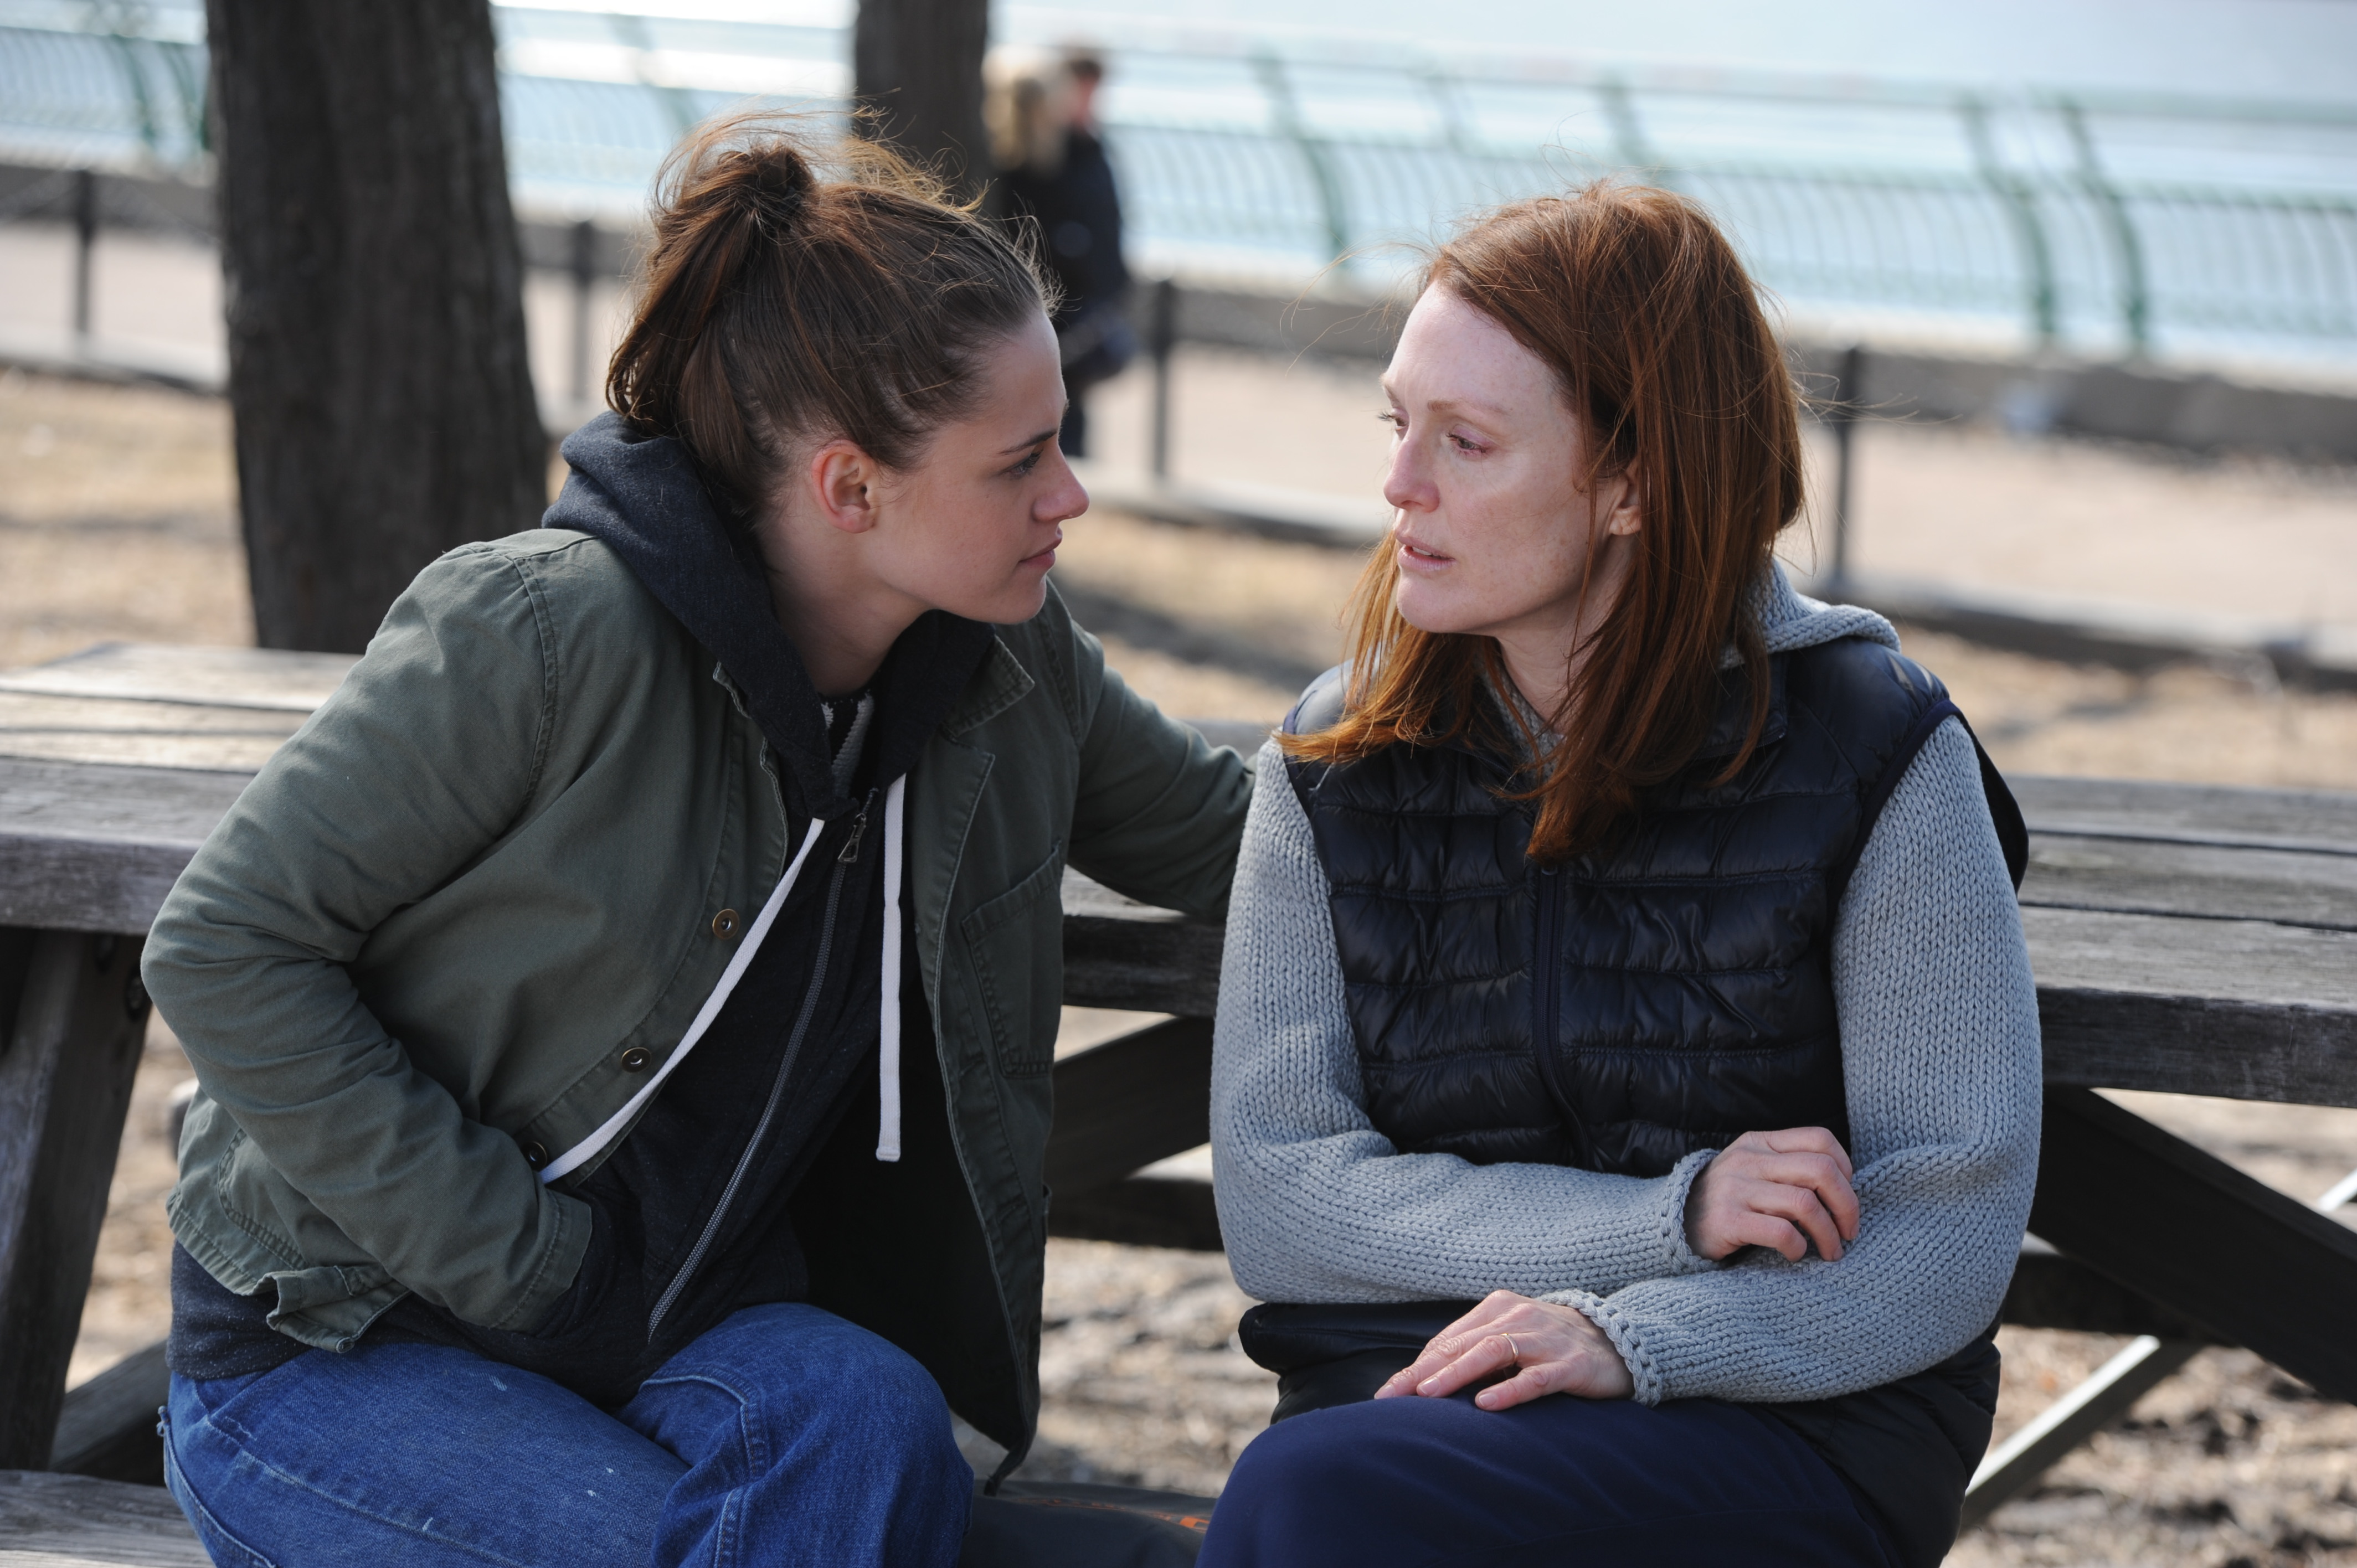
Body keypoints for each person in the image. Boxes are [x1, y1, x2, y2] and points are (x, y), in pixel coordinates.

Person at [144, 119, 1251, 1568]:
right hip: (336, 1342)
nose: (1072, 495)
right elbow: (224, 945)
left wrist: (1506, 755)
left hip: (672, 1329)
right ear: (851, 488)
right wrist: (529, 1267)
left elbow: (1243, 843)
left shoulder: (1009, 668)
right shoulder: (544, 631)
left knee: (874, 1422)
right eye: (1022, 461)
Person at [1202, 182, 2040, 1568]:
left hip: (1776, 1418)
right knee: (1323, 1489)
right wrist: (1674, 1215)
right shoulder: (1334, 762)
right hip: (1407, 1394)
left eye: (1467, 441)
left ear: (1635, 485)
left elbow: (1942, 1237)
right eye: (1397, 425)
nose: (1401, 485)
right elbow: (1281, 1200)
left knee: (1311, 1500)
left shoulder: (1876, 750)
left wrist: (1635, 1335)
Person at [992, 48, 1135, 460]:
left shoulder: (1076, 156)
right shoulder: (1050, 163)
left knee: (1058, 431)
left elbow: (1103, 244)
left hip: (1062, 324)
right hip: (1042, 324)